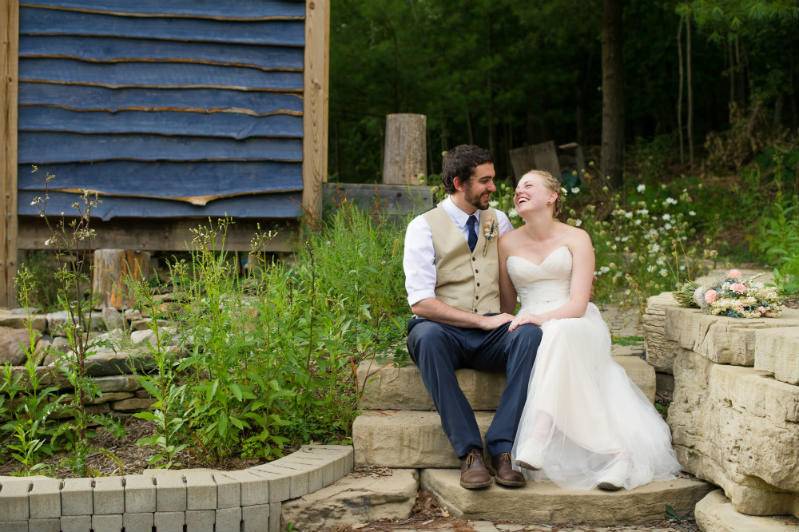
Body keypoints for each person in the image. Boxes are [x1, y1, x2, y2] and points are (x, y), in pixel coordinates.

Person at [500, 170, 682, 491]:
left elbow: (579, 304)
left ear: (552, 196)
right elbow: (506, 304)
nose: (518, 192)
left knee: (560, 332)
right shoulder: (506, 242)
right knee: (552, 337)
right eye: (516, 188)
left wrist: (542, 319)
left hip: (577, 322)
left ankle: (538, 438)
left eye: (528, 185)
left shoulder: (577, 238)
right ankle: (618, 453)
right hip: (530, 322)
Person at [403, 145, 543, 490]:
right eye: (485, 181)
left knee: (529, 335)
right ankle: (470, 452)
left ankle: (502, 449)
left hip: (492, 332)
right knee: (424, 336)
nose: (493, 188)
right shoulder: (422, 227)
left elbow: (508, 277)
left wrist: (510, 318)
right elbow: (420, 303)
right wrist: (481, 321)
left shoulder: (500, 221)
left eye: (492, 180)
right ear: (458, 183)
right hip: (446, 332)